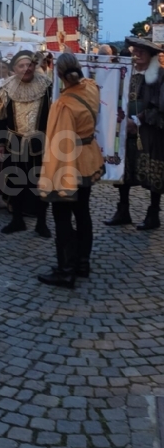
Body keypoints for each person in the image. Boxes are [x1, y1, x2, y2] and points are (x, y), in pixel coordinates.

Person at [37, 52, 104, 288]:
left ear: (58, 74)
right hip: (88, 157)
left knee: (62, 216)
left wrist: (54, 178)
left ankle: (66, 270)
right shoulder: (92, 88)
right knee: (83, 212)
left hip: (70, 163)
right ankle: (83, 263)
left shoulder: (64, 105)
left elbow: (61, 144)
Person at [106, 37, 164, 231]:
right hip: (125, 130)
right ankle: (123, 211)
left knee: (153, 171)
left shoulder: (159, 76)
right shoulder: (126, 73)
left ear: (151, 55)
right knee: (124, 169)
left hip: (150, 132)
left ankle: (153, 214)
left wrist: (138, 120)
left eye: (142, 52)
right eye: (135, 50)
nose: (137, 54)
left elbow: (160, 105)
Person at [0, 51, 52, 237]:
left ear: (35, 66)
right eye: (22, 66)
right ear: (14, 69)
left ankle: (41, 222)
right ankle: (17, 219)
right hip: (14, 142)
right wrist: (0, 142)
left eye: (30, 65)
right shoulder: (6, 89)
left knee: (41, 183)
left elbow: (53, 115)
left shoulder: (47, 87)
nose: (27, 68)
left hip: (40, 143)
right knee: (14, 182)